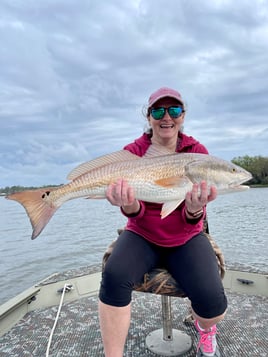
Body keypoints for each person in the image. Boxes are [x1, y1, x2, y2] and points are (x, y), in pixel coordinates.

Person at [98, 87, 227, 357]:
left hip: (186, 236)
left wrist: (194, 208)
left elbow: (194, 216)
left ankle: (206, 329)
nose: (166, 116)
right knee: (114, 275)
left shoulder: (196, 152)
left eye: (174, 110)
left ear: (183, 115)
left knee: (214, 305)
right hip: (142, 233)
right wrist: (128, 204)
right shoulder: (134, 152)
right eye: (158, 110)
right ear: (149, 117)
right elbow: (135, 211)